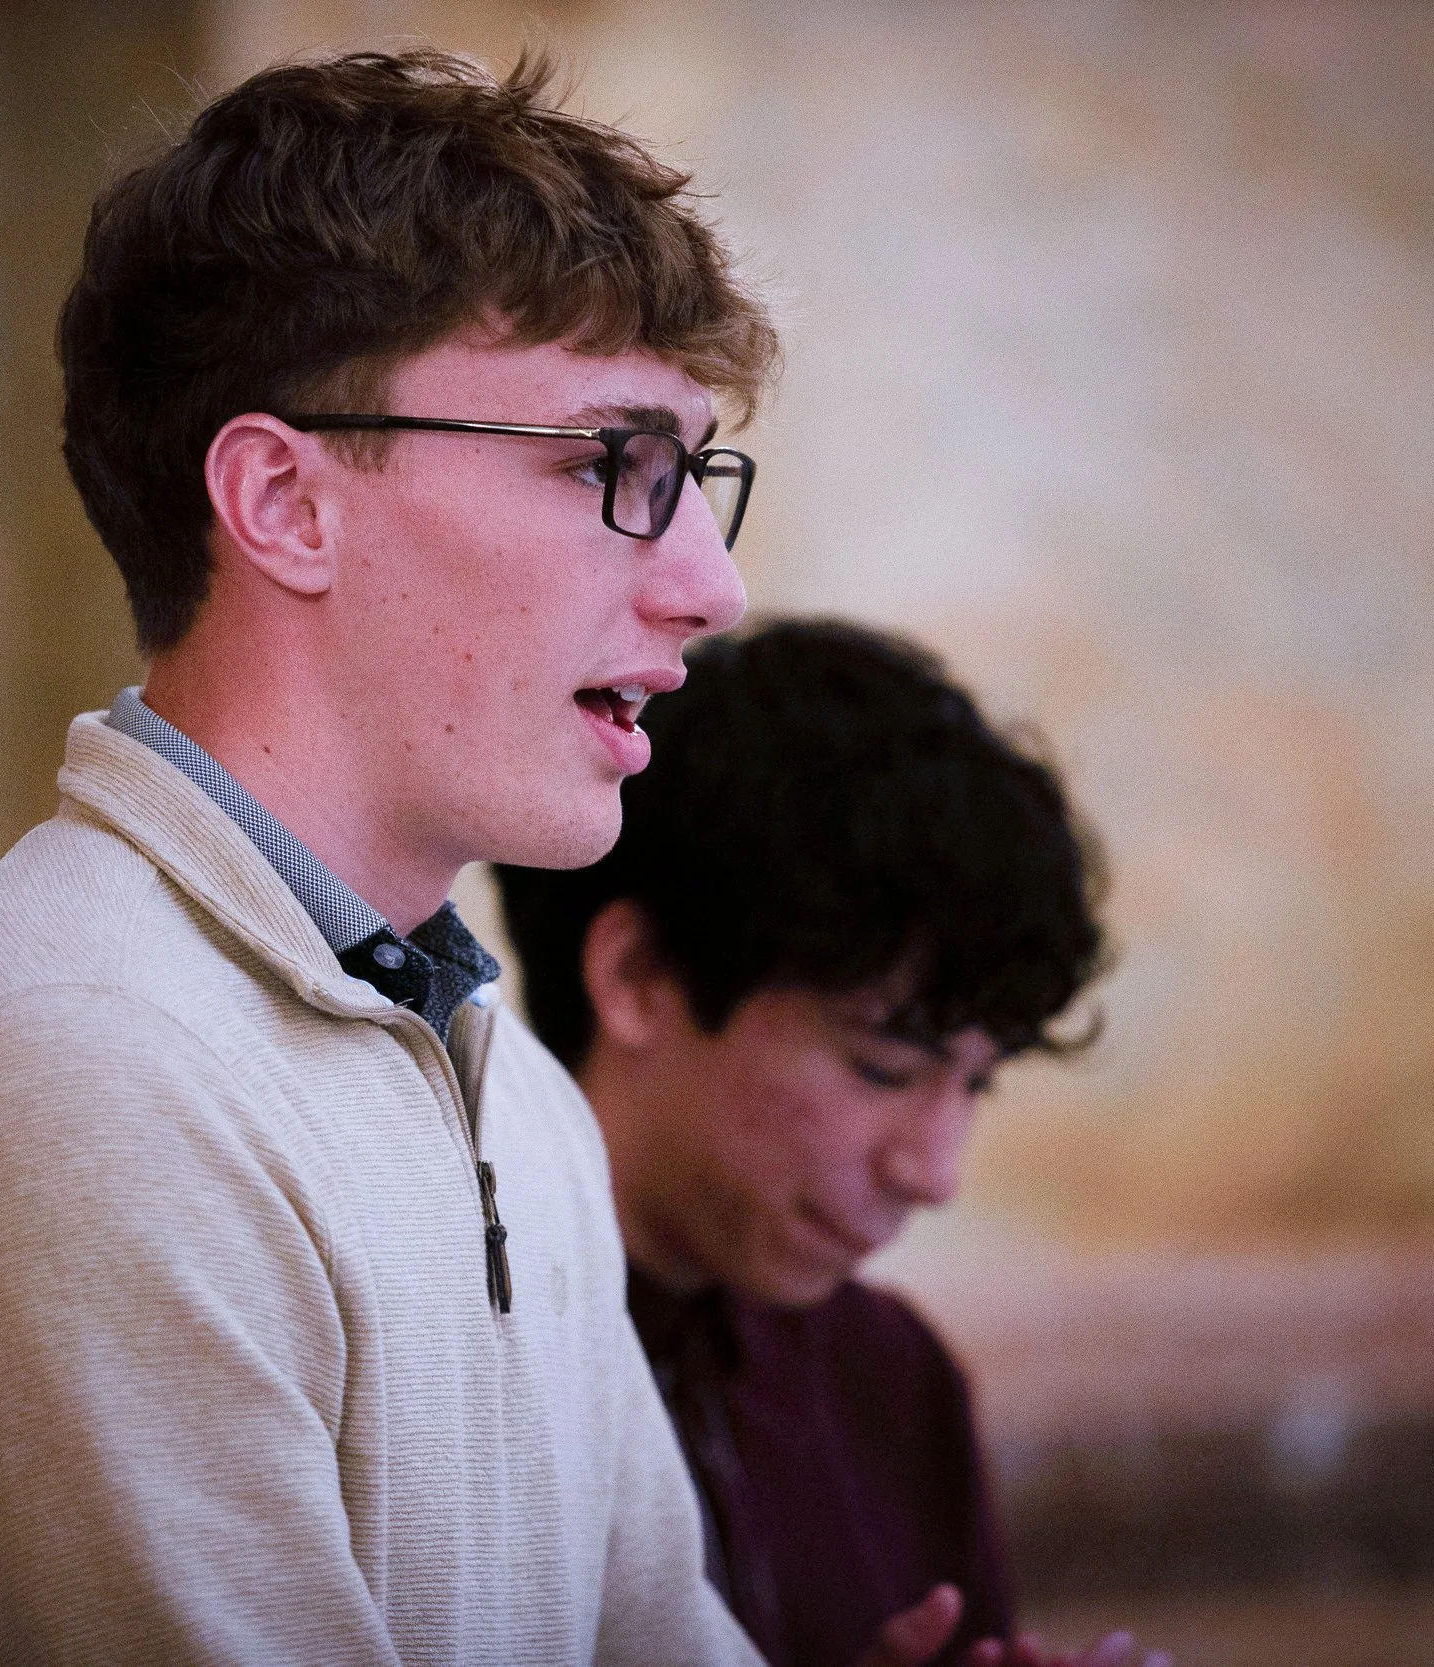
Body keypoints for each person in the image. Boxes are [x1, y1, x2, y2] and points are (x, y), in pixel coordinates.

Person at [0, 49, 797, 1664]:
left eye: (697, 477)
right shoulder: (74, 1063)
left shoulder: (506, 1078)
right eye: (613, 468)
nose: (710, 588)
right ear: (286, 502)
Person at [497, 620, 1159, 1667]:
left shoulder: (888, 1381)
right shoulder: (440, 1362)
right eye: (883, 1066)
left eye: (976, 1082)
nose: (933, 1170)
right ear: (638, 977)